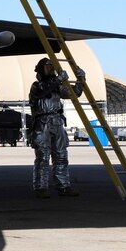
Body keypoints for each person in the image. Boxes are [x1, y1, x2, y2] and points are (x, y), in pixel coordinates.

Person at [29, 58, 85, 198]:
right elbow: (41, 92)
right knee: (43, 157)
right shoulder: (36, 86)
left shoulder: (57, 87)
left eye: (51, 67)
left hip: (57, 122)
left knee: (61, 156)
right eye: (47, 67)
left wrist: (81, 79)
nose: (51, 70)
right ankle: (41, 187)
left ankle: (63, 186)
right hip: (42, 123)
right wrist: (58, 80)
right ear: (41, 70)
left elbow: (74, 93)